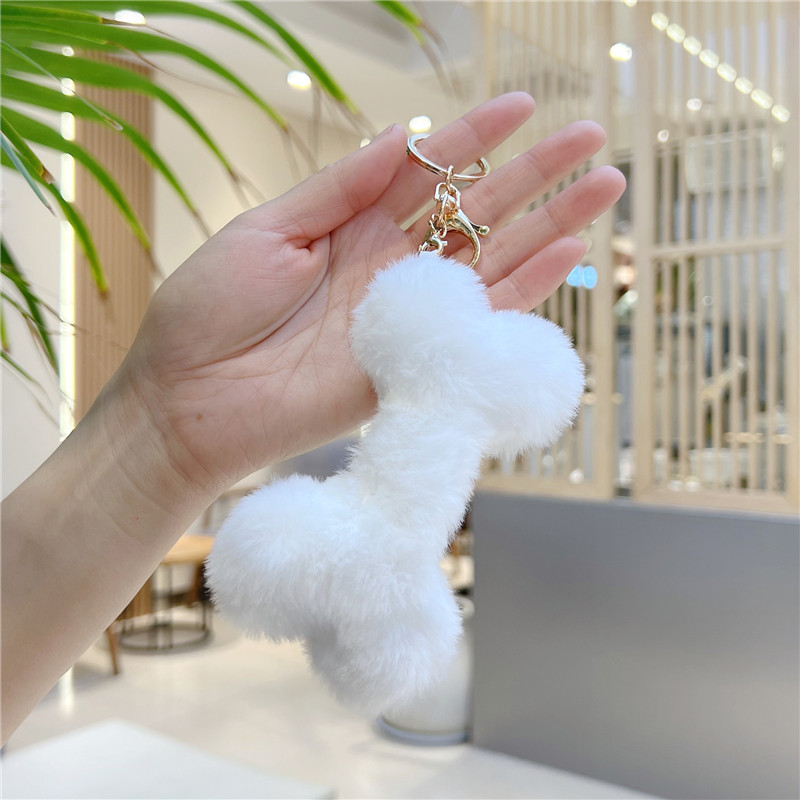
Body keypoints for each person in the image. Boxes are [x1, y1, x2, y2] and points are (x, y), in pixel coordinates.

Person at [0, 93, 625, 742]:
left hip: (383, 541)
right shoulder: (472, 362)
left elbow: (536, 387)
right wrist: (160, 420)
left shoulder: (462, 364)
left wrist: (159, 429)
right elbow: (541, 387)